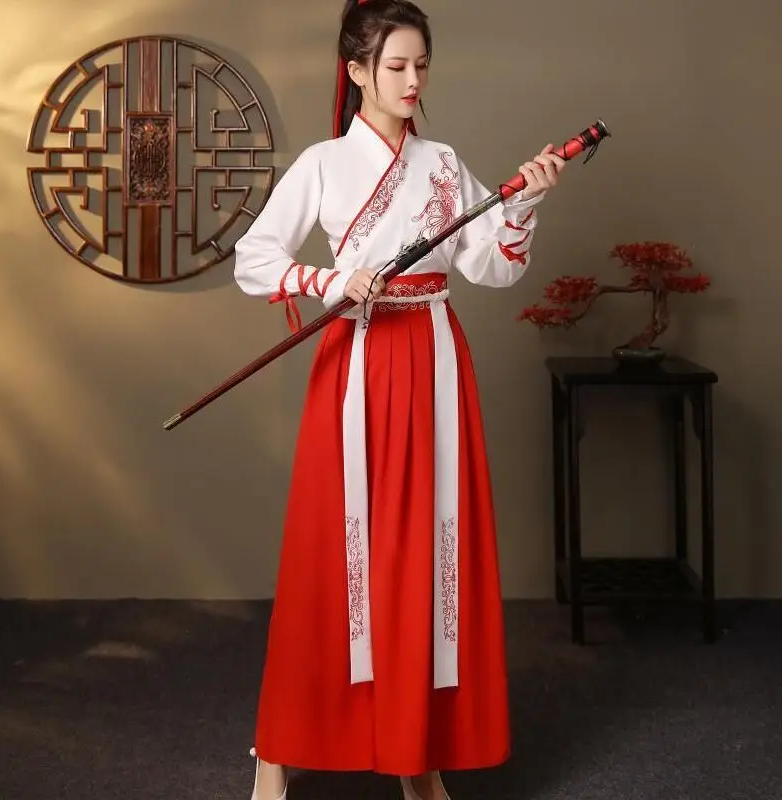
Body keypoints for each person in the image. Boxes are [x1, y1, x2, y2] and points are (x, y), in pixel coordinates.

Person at [233, 1, 566, 797]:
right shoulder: (323, 163)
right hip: (357, 362)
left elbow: (493, 266)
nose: (413, 81)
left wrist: (523, 203)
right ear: (356, 72)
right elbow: (255, 257)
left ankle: (418, 756)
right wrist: (328, 279)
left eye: (422, 65)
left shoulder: (443, 163)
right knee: (335, 556)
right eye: (395, 66)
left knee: (428, 549)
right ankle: (278, 753)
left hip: (435, 357)